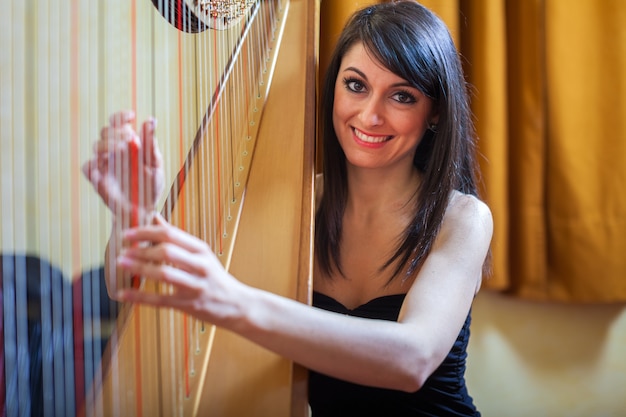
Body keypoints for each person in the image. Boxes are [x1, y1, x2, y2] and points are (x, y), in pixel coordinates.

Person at [82, 1, 492, 415]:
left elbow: (413, 359)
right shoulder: (297, 204)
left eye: (401, 96)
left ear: (435, 110)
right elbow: (125, 286)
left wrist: (234, 301)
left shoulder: (462, 220)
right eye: (356, 85)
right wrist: (134, 216)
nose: (370, 115)